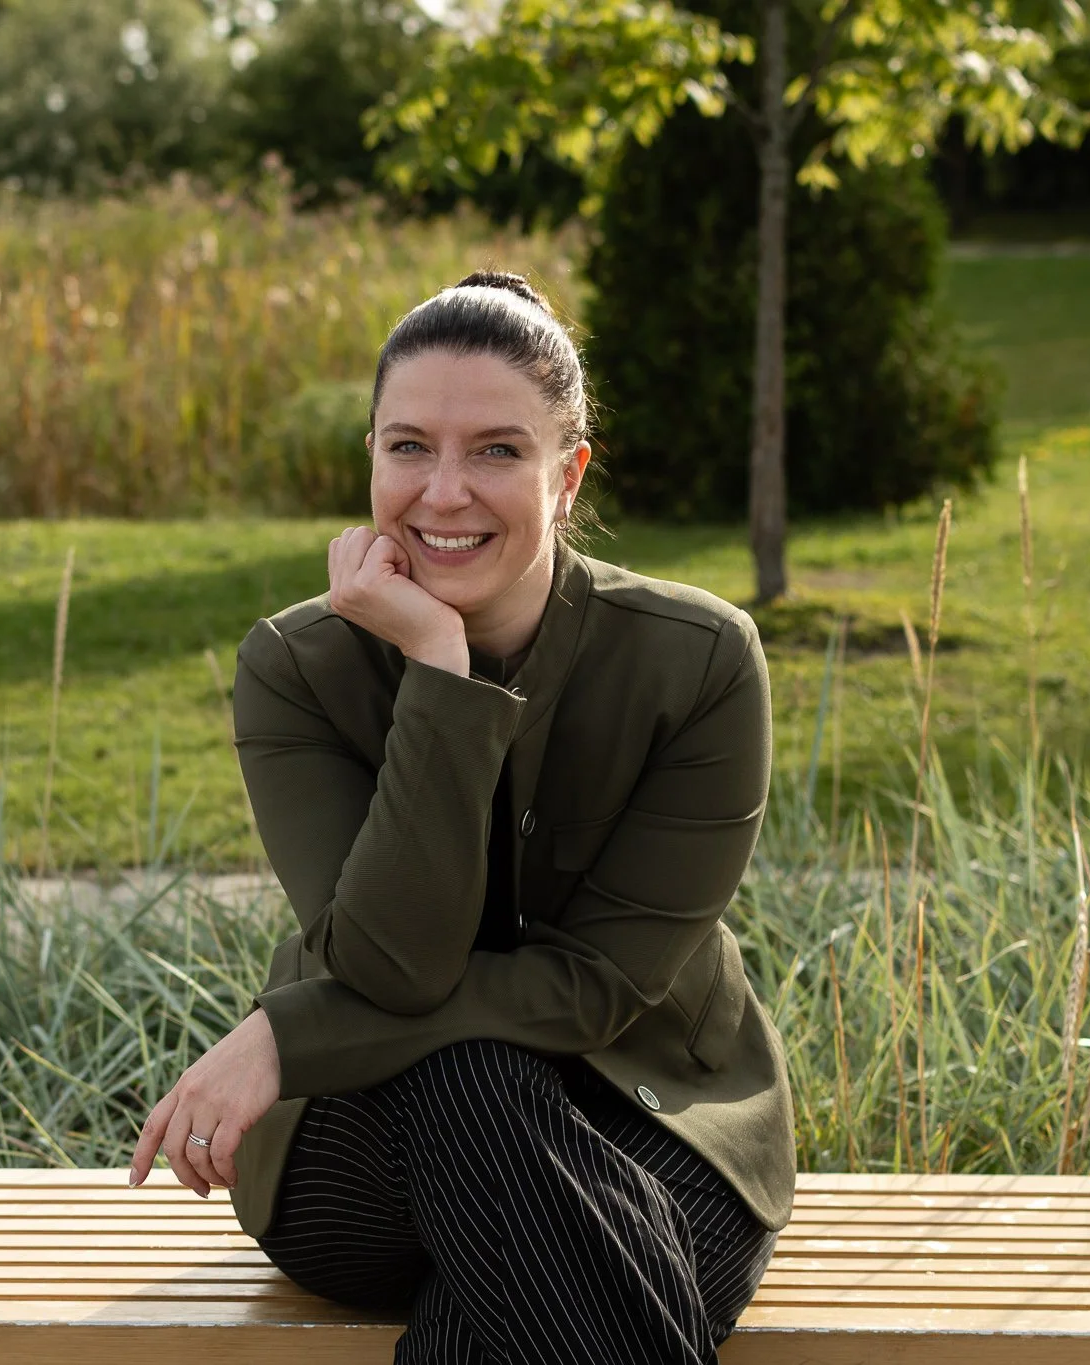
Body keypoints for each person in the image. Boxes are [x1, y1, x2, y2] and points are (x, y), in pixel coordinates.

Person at [128, 270, 795, 1364]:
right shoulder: (295, 668)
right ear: (371, 460)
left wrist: (288, 1031)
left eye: (495, 450)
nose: (442, 493)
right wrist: (436, 668)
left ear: (565, 474)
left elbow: (598, 989)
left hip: (656, 1114)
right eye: (407, 448)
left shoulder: (699, 661)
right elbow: (391, 967)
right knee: (468, 1082)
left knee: (512, 1306)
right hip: (366, 1146)